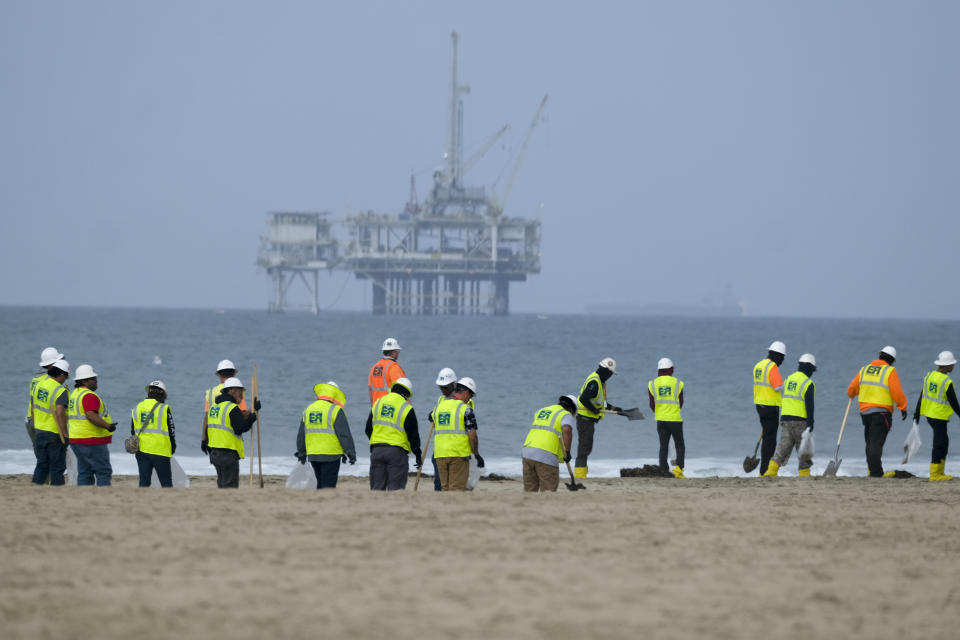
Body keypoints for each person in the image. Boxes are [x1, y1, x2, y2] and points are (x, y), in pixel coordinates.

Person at [847, 346, 908, 478]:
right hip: (881, 413)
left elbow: (852, 389)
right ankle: (875, 473)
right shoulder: (889, 371)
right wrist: (902, 407)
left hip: (866, 414)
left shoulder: (865, 369)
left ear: (880, 355)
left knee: (870, 443)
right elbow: (896, 392)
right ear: (892, 360)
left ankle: (871, 470)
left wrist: (852, 393)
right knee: (875, 444)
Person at [295, 381, 356, 489]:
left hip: (313, 455)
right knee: (328, 486)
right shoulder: (335, 410)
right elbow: (344, 435)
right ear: (334, 395)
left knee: (318, 484)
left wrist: (302, 452)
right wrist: (350, 452)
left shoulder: (308, 409)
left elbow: (301, 434)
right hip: (331, 455)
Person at [764, 354, 816, 477]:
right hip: (800, 420)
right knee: (803, 449)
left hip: (785, 418)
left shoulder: (788, 379)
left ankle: (771, 471)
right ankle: (804, 473)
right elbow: (810, 405)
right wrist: (811, 423)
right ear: (809, 368)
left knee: (783, 446)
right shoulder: (808, 383)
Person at [365, 378, 421, 490]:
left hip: (377, 451)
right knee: (395, 491)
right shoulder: (406, 408)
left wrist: (377, 442)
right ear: (405, 394)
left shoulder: (378, 403)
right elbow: (413, 435)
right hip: (397, 453)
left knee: (376, 490)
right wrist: (417, 454)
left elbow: (368, 429)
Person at [67, 364, 117, 486]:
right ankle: (103, 496)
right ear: (84, 380)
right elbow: (91, 415)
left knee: (85, 471)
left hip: (76, 439)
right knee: (103, 470)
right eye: (93, 379)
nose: (96, 381)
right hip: (91, 440)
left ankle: (84, 496)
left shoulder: (75, 394)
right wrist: (108, 426)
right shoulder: (89, 396)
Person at [204, 377, 259, 488]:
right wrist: (253, 417)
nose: (242, 397)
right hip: (227, 454)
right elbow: (240, 427)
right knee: (230, 487)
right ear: (233, 391)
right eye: (240, 393)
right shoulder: (232, 407)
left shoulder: (214, 407)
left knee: (222, 484)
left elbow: (210, 428)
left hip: (214, 453)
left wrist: (252, 410)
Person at [913, 351, 960, 481]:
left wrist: (917, 413)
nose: (953, 366)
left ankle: (940, 471)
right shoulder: (946, 381)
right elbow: (954, 402)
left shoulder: (929, 376)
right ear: (946, 365)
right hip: (939, 416)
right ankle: (935, 474)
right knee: (940, 443)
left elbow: (922, 395)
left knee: (943, 442)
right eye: (952, 364)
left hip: (930, 415)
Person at [574, 357, 621, 478]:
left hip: (588, 419)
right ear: (605, 371)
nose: (610, 376)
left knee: (586, 446)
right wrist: (593, 410)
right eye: (610, 373)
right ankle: (580, 474)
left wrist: (614, 408)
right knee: (584, 447)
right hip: (585, 419)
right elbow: (584, 399)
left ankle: (582, 471)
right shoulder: (595, 382)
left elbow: (599, 402)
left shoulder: (600, 381)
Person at [433, 377, 482, 491]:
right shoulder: (465, 409)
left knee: (445, 489)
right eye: (470, 395)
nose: (469, 399)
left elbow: (435, 424)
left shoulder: (439, 407)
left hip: (440, 454)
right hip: (458, 455)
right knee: (456, 490)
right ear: (465, 392)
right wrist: (476, 454)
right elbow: (472, 436)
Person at [521, 395, 576, 492]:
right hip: (546, 455)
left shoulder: (542, 410)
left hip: (527, 452)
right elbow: (567, 430)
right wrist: (567, 452)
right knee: (548, 491)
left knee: (529, 491)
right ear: (572, 409)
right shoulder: (565, 414)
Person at [31, 359, 70, 485]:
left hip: (39, 430)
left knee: (42, 464)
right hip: (54, 433)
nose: (66, 379)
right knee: (57, 466)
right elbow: (60, 413)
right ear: (61, 374)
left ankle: (36, 487)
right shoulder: (60, 390)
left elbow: (33, 408)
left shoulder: (39, 385)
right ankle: (56, 490)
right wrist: (65, 434)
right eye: (66, 376)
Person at [131, 380, 176, 488]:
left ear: (148, 393)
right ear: (162, 394)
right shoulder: (164, 408)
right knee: (166, 483)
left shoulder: (137, 407)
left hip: (141, 450)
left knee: (144, 482)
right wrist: (173, 445)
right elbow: (171, 430)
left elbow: (133, 430)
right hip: (160, 450)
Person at [428, 367, 466, 491]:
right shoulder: (441, 400)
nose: (443, 390)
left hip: (456, 449)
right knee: (440, 484)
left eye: (445, 387)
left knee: (455, 485)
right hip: (440, 449)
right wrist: (432, 415)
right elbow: (435, 415)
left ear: (454, 384)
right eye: (441, 387)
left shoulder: (463, 400)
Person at [648, 357, 686, 478]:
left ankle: (663, 470)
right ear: (671, 369)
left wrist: (659, 412)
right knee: (679, 445)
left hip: (661, 419)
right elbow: (681, 402)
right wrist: (673, 410)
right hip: (675, 419)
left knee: (663, 446)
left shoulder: (652, 384)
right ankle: (678, 471)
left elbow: (652, 405)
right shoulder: (678, 383)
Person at [753, 341, 786, 475]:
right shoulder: (772, 366)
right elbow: (778, 386)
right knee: (770, 441)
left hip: (759, 405)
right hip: (770, 407)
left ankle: (764, 469)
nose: (782, 361)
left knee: (767, 437)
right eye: (782, 358)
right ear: (777, 355)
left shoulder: (758, 365)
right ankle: (765, 470)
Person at [201, 359, 247, 453]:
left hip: (213, 441)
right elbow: (242, 414)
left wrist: (203, 439)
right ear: (234, 373)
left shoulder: (210, 393)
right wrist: (252, 413)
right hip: (230, 443)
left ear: (218, 374)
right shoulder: (237, 390)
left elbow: (207, 418)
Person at [26, 346, 64, 447]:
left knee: (42, 459)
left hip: (32, 421)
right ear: (53, 364)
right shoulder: (51, 380)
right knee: (55, 459)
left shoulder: (36, 377)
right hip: (44, 425)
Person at [368, 337, 406, 406]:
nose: (398, 354)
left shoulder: (374, 368)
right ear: (394, 352)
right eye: (398, 351)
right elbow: (401, 390)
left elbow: (370, 390)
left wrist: (373, 410)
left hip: (377, 410)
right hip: (390, 410)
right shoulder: (394, 367)